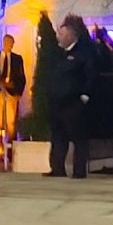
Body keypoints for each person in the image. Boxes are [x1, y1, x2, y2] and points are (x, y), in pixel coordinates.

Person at [44, 14, 97, 179]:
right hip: (57, 103)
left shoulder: (83, 53)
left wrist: (84, 96)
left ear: (71, 34)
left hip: (73, 103)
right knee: (58, 136)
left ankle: (79, 171)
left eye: (61, 33)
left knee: (78, 137)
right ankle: (57, 168)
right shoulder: (58, 54)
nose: (58, 37)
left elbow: (91, 74)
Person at [0, 34, 26, 148]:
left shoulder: (17, 59)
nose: (8, 45)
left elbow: (21, 77)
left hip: (11, 93)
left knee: (11, 122)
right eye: (6, 42)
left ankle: (10, 148)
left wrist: (18, 92)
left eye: (10, 43)